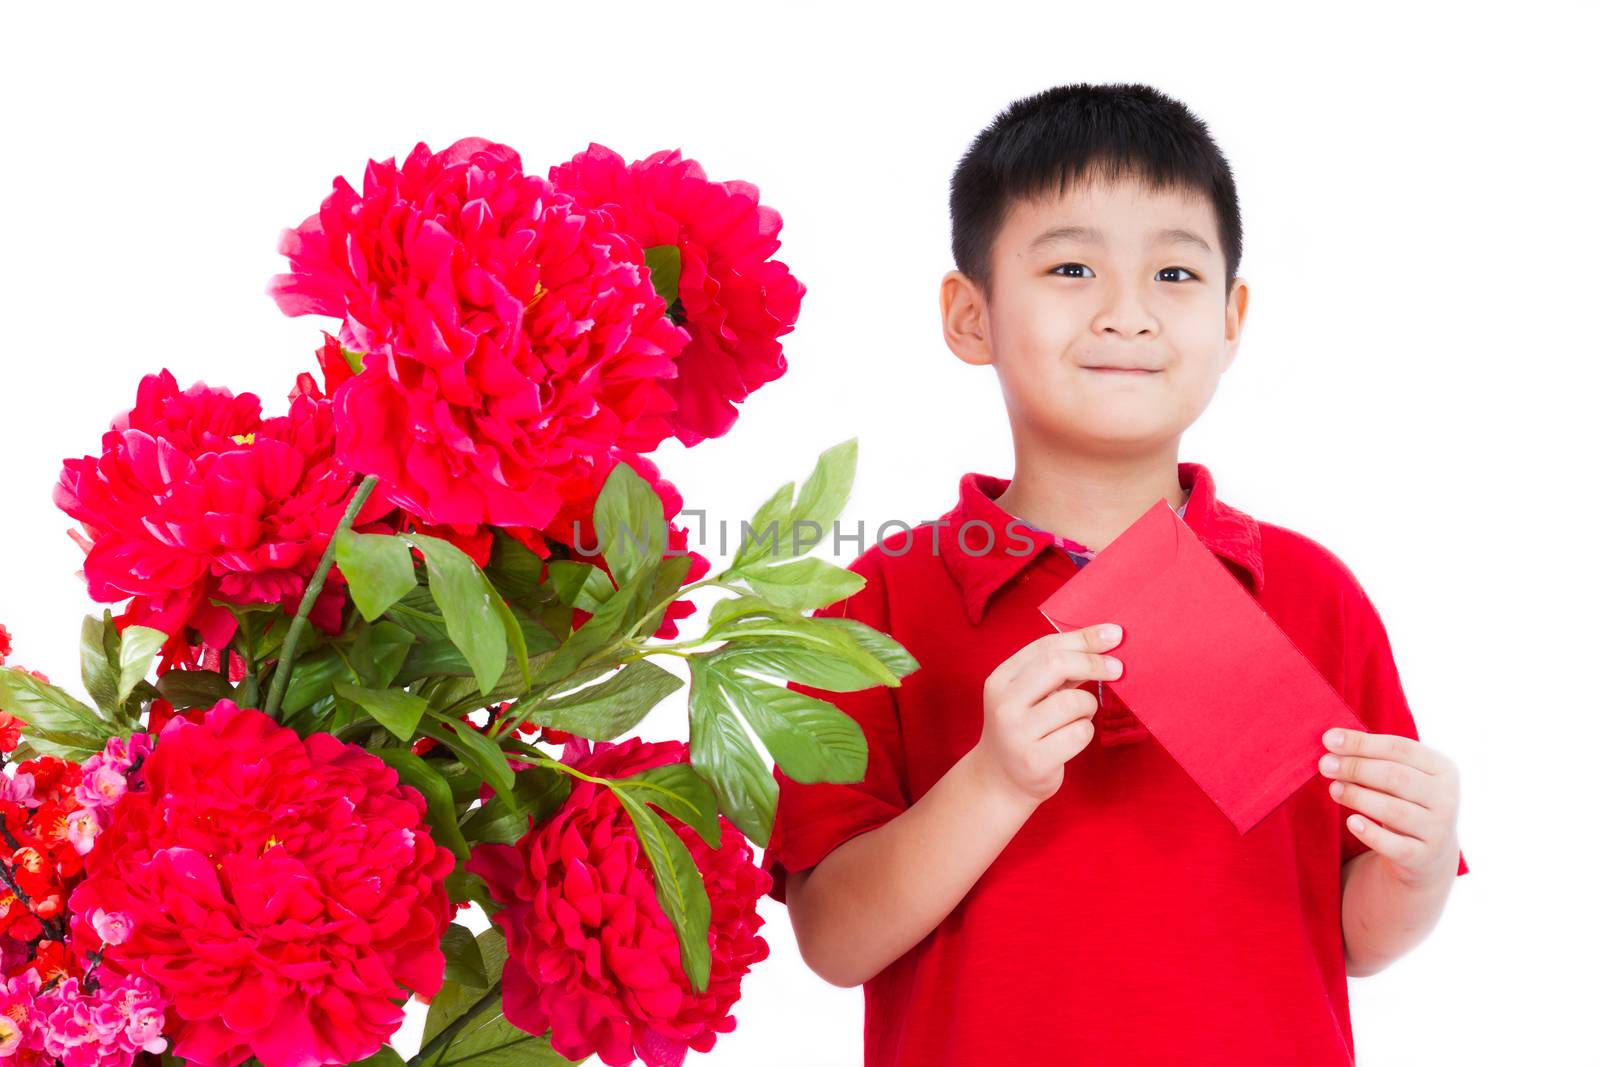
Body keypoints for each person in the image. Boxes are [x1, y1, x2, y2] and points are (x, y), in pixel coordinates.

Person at [759, 81, 1469, 1066]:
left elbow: (1352, 934)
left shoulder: (1312, 592)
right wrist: (994, 781)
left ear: (1232, 317)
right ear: (971, 315)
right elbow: (832, 940)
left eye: (1175, 273)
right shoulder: (877, 599)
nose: (1128, 312)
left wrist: (1420, 867)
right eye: (1071, 266)